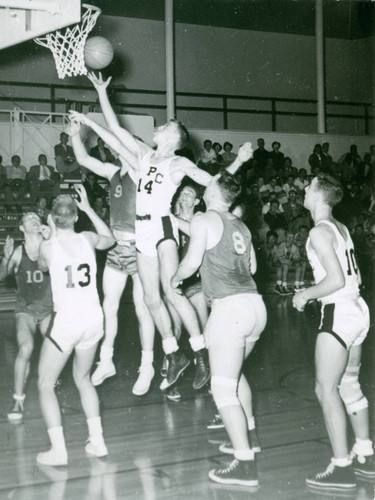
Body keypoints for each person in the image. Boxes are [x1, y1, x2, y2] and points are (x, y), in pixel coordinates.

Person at [78, 72, 253, 392]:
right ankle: (174, 353)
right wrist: (100, 95)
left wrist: (239, 161)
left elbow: (212, 183)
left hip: (161, 226)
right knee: (149, 297)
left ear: (174, 138)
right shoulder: (145, 155)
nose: (159, 125)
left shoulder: (179, 165)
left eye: (166, 125)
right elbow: (115, 129)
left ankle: (200, 353)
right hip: (141, 229)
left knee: (172, 290)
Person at [171, 171, 266, 487]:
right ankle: (249, 439)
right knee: (235, 377)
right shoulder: (239, 224)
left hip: (229, 310)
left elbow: (191, 262)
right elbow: (252, 266)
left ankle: (244, 464)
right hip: (255, 306)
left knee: (222, 388)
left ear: (213, 192)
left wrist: (174, 279)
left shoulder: (205, 219)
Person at [292, 174, 374, 491]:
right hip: (358, 310)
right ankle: (365, 454)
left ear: (319, 196)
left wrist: (304, 294)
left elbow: (335, 280)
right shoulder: (340, 227)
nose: (304, 189)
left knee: (325, 390)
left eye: (309, 186)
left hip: (338, 310)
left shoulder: (318, 231)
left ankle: (341, 467)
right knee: (349, 385)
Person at [68, 120, 155, 396]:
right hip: (117, 248)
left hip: (140, 249)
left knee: (143, 310)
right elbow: (83, 158)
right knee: (109, 306)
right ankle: (106, 360)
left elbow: (122, 141)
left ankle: (147, 365)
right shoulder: (113, 172)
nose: (116, 151)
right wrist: (75, 136)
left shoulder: (143, 172)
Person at [36, 187, 115, 466]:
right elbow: (110, 238)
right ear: (76, 216)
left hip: (67, 321)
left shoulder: (47, 246)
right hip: (93, 318)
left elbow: (44, 266)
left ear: (52, 218)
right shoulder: (88, 238)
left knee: (45, 383)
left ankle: (58, 451)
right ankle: (98, 441)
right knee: (82, 379)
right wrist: (90, 210)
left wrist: (50, 231)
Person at [0, 214, 53, 422]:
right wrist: (5, 259)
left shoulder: (50, 246)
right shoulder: (18, 252)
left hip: (49, 309)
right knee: (26, 348)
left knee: (54, 350)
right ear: (22, 228)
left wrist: (52, 239)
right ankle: (18, 399)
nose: (34, 218)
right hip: (26, 310)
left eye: (36, 217)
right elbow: (1, 276)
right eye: (29, 217)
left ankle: (50, 385)